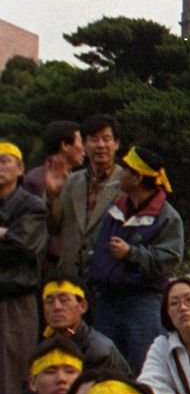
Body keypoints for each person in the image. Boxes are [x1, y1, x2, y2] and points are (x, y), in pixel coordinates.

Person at [84, 143, 184, 373]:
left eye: (127, 169)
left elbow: (169, 259)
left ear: (138, 178)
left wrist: (132, 253)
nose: (122, 173)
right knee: (104, 366)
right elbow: (95, 247)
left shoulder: (167, 217)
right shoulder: (115, 210)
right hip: (106, 301)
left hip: (142, 302)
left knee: (145, 366)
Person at [0, 141, 47, 394]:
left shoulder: (31, 205)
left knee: (13, 372)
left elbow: (22, 247)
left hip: (16, 297)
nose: (0, 167)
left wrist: (10, 238)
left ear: (20, 169)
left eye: (6, 161)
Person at [55, 113, 124, 286]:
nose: (100, 145)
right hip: (72, 277)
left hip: (110, 277)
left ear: (116, 144)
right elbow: (54, 225)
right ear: (85, 144)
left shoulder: (127, 182)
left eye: (106, 139)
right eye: (94, 139)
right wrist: (51, 195)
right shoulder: (71, 181)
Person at [21, 117, 83, 273]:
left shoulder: (77, 178)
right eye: (80, 141)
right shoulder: (36, 180)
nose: (84, 148)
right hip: (43, 266)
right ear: (65, 146)